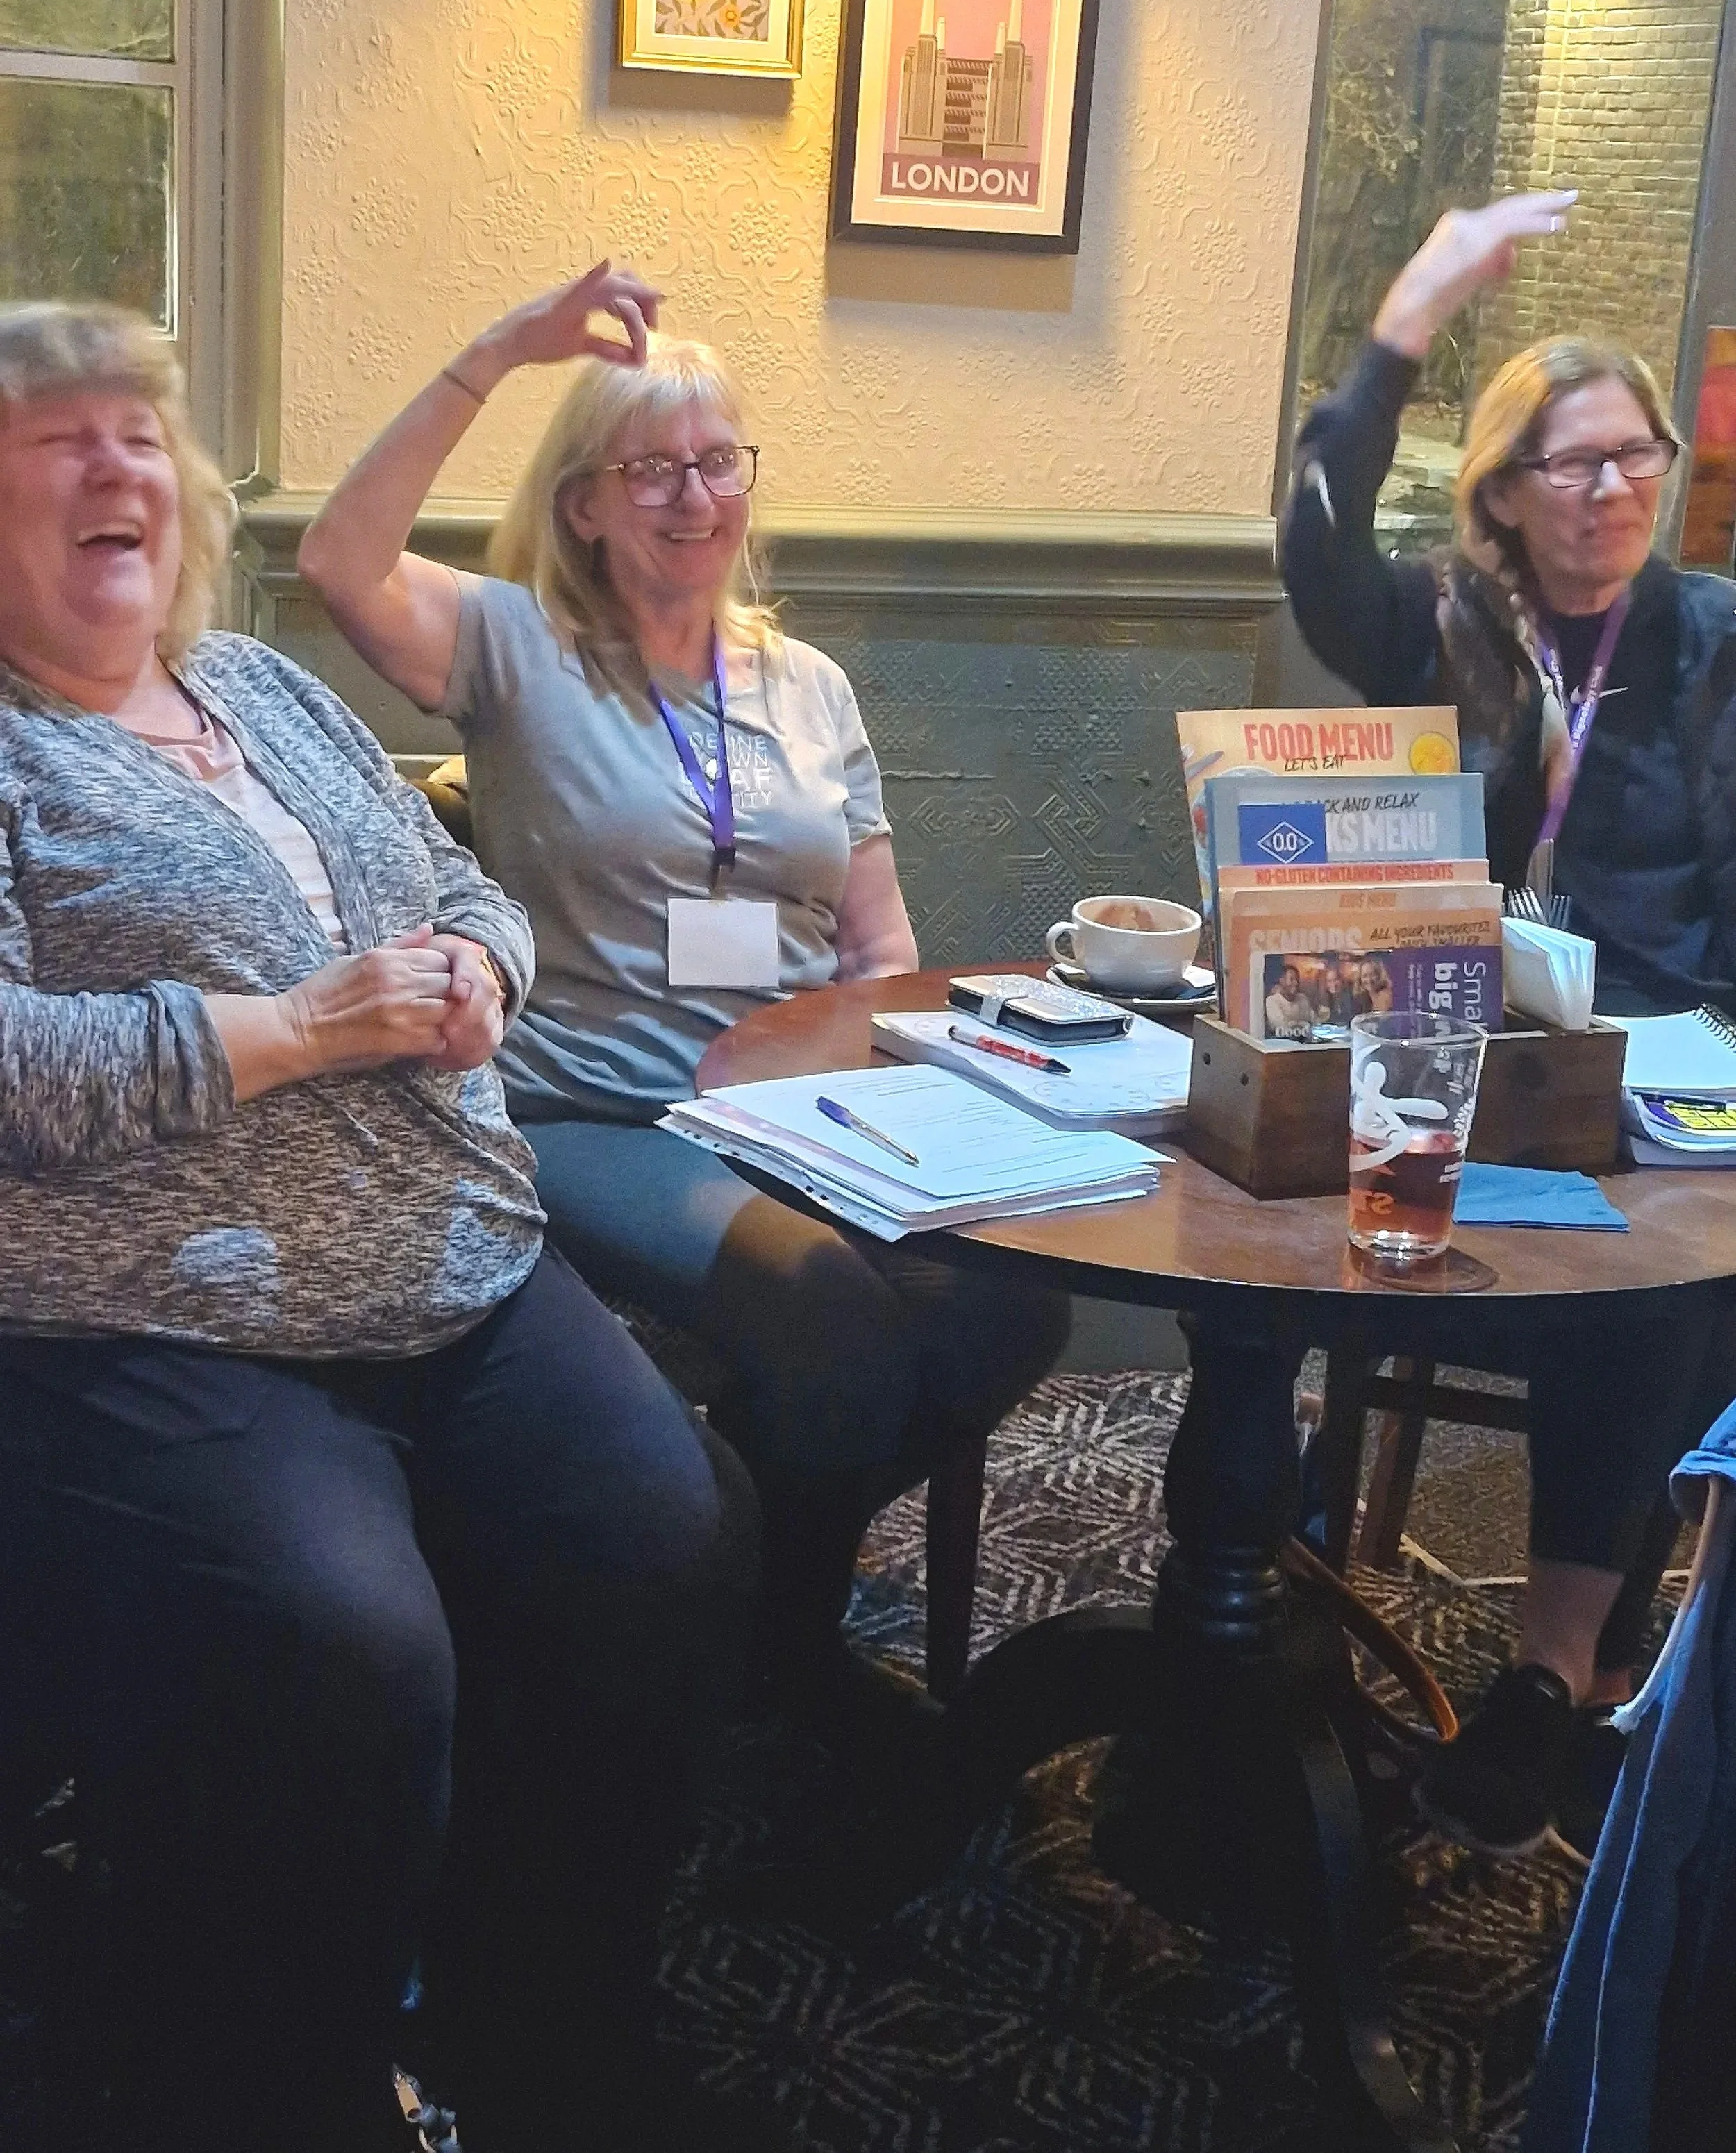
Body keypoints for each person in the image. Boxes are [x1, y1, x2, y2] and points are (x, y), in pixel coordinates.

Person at [0, 300, 757, 2153]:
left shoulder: (260, 693)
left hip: (463, 1263)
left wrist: (485, 970)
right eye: (55, 435)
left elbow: (458, 880)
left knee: (663, 1538)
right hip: (173, 1323)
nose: (114, 464)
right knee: (346, 1645)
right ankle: (296, 2081)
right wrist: (301, 1028)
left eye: (137, 432)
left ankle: (545, 2019)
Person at [297, 262, 1071, 1741]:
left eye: (717, 460)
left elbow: (875, 934)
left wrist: (931, 1109)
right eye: (651, 468)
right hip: (593, 1109)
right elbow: (339, 558)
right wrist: (494, 350)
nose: (693, 495)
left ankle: (744, 1570)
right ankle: (775, 1655)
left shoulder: (808, 685)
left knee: (1008, 1301)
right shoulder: (516, 647)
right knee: (830, 1319)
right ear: (584, 503)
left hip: (802, 1106)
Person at [1278, 188, 1736, 1860]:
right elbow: (1313, 545)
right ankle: (1530, 1650)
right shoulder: (1446, 625)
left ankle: (1551, 1669)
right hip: (1447, 1057)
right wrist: (1409, 314)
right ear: (1504, 490)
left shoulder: (1713, 641)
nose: (1609, 489)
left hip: (1667, 1067)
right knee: (1288, 1203)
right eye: (1571, 462)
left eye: (1633, 457)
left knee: (1668, 1263)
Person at [1264, 960, 1315, 1037]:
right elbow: (1281, 1025)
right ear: (1282, 981)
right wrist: (1304, 1024)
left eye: (1297, 979)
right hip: (1281, 1042)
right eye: (1292, 979)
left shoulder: (1303, 998)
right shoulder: (1272, 1001)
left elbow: (1314, 1020)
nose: (1296, 983)